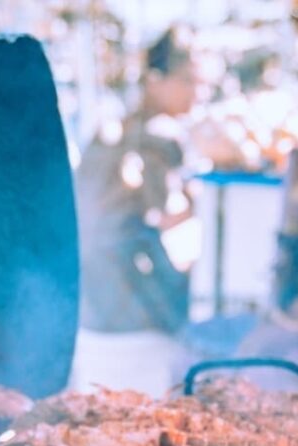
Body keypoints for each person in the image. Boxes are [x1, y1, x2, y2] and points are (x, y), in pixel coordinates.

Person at [76, 27, 198, 333]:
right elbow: (165, 216)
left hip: (92, 293)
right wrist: (199, 201)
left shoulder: (117, 129)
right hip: (128, 293)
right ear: (154, 82)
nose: (195, 92)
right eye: (186, 80)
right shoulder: (158, 136)